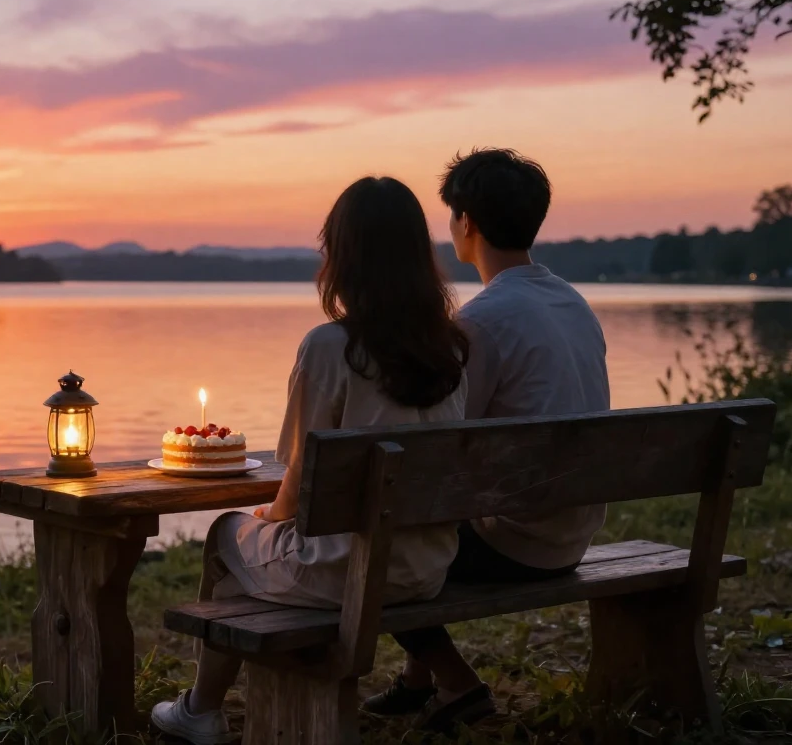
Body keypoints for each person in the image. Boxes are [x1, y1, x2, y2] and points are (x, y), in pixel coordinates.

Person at [151, 176, 470, 745]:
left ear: (343, 256)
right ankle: (202, 708)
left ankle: (200, 709)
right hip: (427, 568)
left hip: (345, 574)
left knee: (228, 535)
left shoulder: (331, 347)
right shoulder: (450, 347)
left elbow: (298, 485)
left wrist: (266, 521)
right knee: (257, 545)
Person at [362, 148, 610, 731]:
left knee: (381, 547)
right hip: (574, 532)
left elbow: (440, 446)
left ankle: (458, 683)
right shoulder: (572, 303)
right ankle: (420, 680)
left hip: (522, 542)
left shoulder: (482, 321)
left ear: (465, 222)